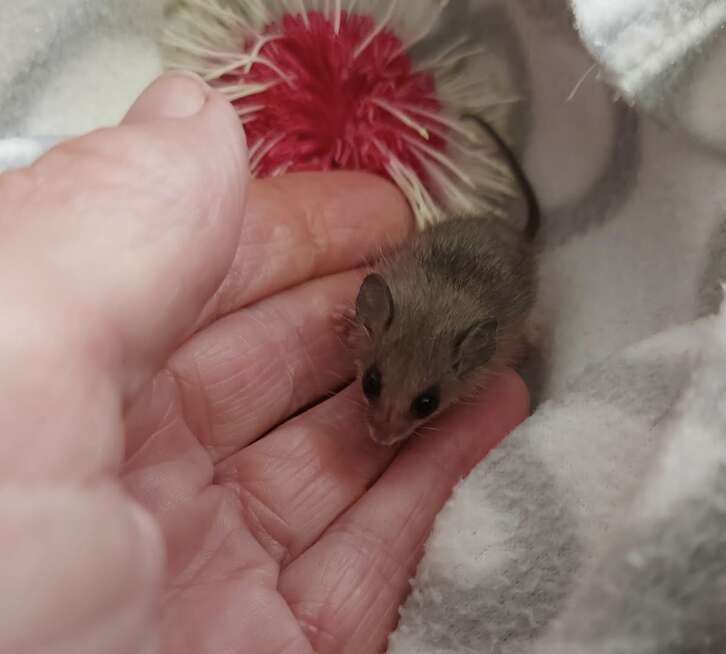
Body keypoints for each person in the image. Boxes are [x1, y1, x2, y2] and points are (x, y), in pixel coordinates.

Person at [0, 72, 528, 654]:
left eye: (422, 404)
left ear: (471, 361)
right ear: (369, 317)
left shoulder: (473, 343)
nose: (383, 426)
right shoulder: (390, 308)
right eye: (375, 386)